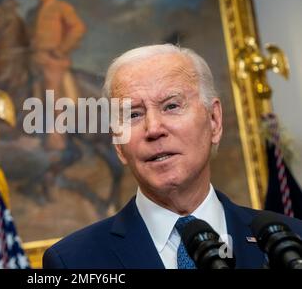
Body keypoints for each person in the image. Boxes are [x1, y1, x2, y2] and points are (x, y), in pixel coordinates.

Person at [42, 44, 302, 269]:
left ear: (214, 120)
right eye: (133, 114)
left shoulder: (293, 241)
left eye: (171, 106)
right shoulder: (73, 261)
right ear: (118, 144)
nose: (153, 129)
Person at [27, 0, 86, 152]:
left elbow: (78, 28)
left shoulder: (62, 8)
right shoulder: (31, 13)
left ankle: (56, 134)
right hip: (33, 59)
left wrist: (61, 49)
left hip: (53, 60)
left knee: (50, 86)